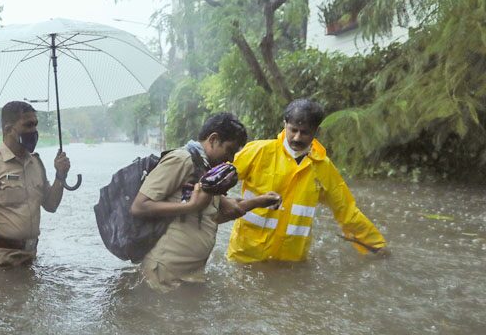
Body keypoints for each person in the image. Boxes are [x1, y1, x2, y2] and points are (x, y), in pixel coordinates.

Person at [130, 113, 280, 292]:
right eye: (230, 150)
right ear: (214, 139)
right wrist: (191, 206)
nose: (231, 159)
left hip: (191, 274)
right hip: (165, 272)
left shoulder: (207, 172)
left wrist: (259, 201)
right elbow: (139, 206)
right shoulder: (182, 159)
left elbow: (222, 212)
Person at [226, 98, 388, 263]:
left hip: (290, 261)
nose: (297, 137)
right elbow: (218, 181)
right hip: (245, 255)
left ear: (316, 131)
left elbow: (347, 211)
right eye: (293, 130)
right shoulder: (259, 151)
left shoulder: (323, 167)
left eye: (304, 132)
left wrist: (377, 245)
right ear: (285, 124)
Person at [0, 101, 71, 270]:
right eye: (28, 125)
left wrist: (60, 175)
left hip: (29, 259)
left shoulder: (35, 163)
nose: (34, 131)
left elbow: (51, 205)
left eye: (35, 125)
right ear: (8, 129)